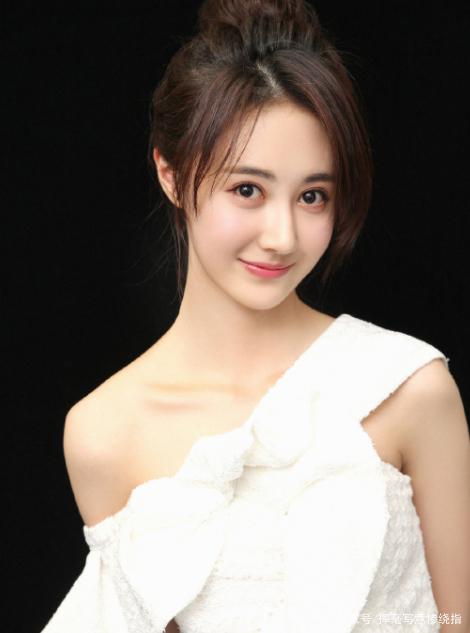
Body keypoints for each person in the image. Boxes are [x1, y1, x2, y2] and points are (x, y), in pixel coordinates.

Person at [40, 1, 470, 632]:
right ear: (170, 173)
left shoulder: (409, 387)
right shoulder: (103, 434)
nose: (282, 236)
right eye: (248, 190)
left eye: (313, 196)